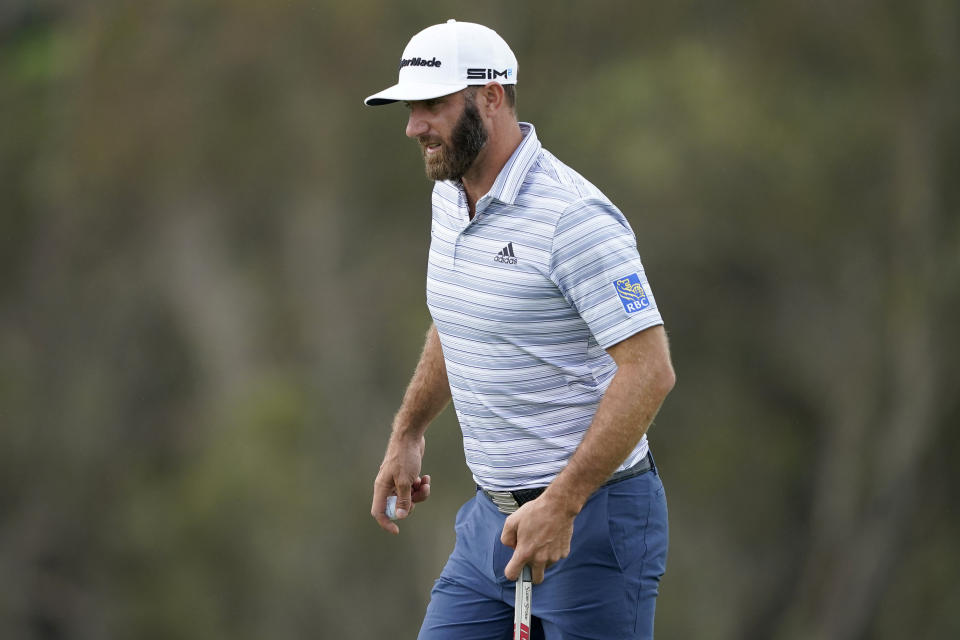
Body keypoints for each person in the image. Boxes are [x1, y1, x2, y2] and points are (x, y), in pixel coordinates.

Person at [365, 19, 675, 640]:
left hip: (594, 520)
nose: (414, 126)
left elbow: (650, 371)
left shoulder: (575, 218)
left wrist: (562, 503)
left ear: (492, 96)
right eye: (409, 108)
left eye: (433, 105)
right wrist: (409, 431)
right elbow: (460, 316)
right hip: (490, 520)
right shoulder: (449, 196)